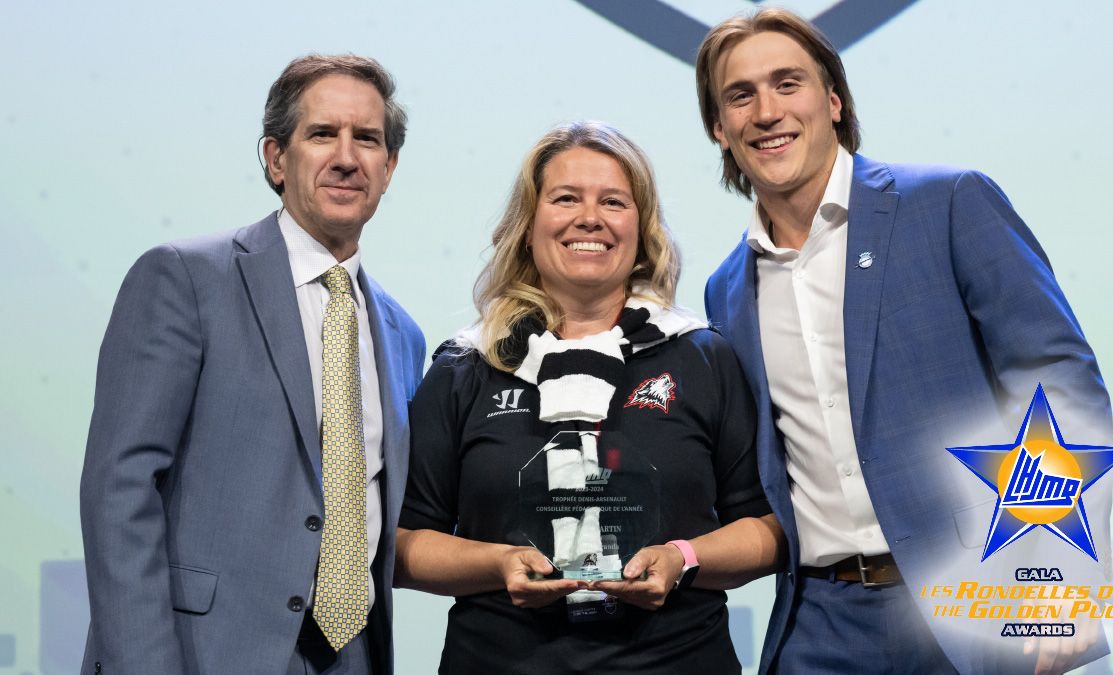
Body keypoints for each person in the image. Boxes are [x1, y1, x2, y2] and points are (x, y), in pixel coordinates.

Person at [695, 9, 1113, 675]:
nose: (767, 112)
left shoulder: (947, 203)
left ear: (834, 101)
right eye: (740, 95)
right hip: (820, 626)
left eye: (788, 84)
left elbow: (1056, 382)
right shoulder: (726, 289)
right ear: (719, 127)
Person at [395, 121, 784, 674]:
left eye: (614, 202)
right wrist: (498, 563)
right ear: (527, 226)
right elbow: (403, 546)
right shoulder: (467, 366)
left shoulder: (703, 357)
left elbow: (769, 529)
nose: (590, 218)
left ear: (641, 230)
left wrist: (683, 558)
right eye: (565, 198)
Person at [79, 55, 424, 674]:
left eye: (368, 139)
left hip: (352, 657)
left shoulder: (403, 336)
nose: (347, 157)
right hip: (203, 656)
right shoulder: (185, 279)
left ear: (389, 167)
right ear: (275, 158)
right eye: (322, 134)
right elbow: (119, 489)